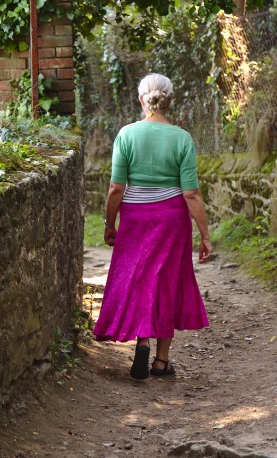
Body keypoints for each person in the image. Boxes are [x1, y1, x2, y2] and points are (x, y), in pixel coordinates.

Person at [93, 73, 213, 380]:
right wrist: (205, 235)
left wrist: (110, 224)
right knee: (168, 281)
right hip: (172, 219)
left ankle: (142, 341)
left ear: (140, 99)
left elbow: (115, 189)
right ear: (169, 100)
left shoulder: (127, 135)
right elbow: (191, 194)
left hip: (135, 219)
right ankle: (161, 361)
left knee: (138, 278)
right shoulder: (182, 138)